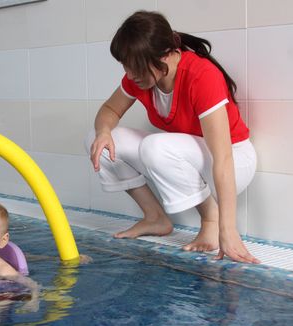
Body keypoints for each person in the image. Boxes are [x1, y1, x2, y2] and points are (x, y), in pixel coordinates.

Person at [85, 10, 259, 263]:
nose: (131, 75)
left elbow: (222, 158)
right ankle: (155, 218)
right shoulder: (140, 75)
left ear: (166, 54)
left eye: (137, 67)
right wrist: (103, 131)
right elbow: (109, 110)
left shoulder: (201, 76)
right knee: (97, 140)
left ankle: (210, 220)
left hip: (235, 160)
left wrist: (227, 229)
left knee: (155, 146)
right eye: (126, 66)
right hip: (196, 156)